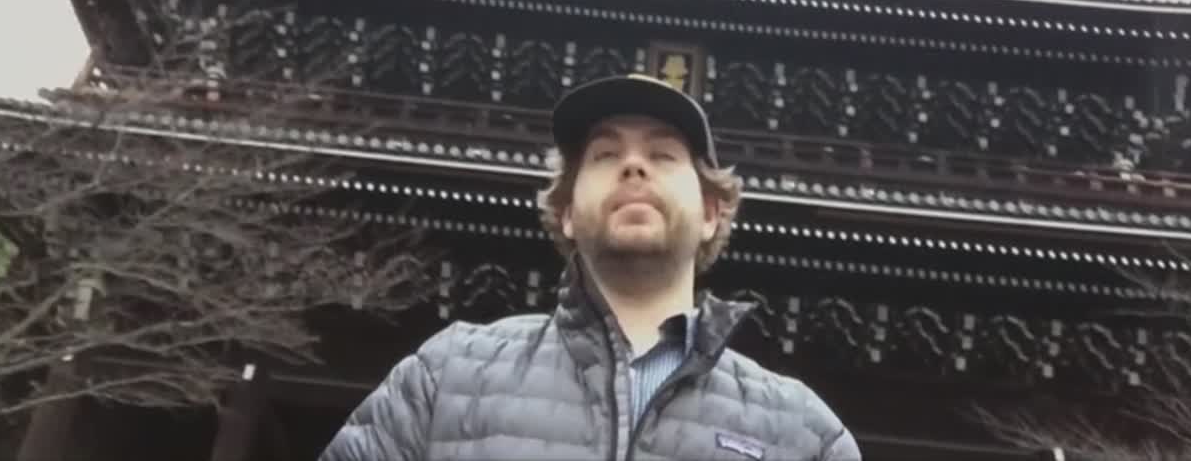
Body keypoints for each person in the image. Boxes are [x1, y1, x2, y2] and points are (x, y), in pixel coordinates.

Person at [318, 73, 861, 460]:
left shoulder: (803, 435)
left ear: (711, 214)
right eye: (605, 155)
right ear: (567, 213)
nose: (633, 165)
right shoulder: (446, 378)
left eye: (663, 155)